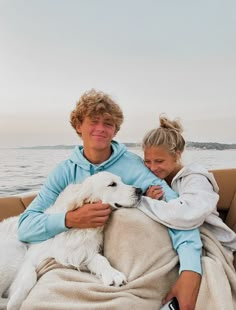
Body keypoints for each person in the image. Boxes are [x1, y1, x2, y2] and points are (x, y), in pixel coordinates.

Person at [18, 89, 202, 310]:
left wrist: (191, 271)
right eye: (93, 121)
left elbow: (178, 211)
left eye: (108, 123)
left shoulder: (133, 166)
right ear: (78, 126)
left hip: (128, 258)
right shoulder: (64, 172)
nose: (101, 129)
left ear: (115, 130)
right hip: (77, 257)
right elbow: (25, 227)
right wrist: (70, 219)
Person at [140, 114, 236, 308]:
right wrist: (151, 199)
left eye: (159, 161)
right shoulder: (152, 181)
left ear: (177, 154)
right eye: (147, 161)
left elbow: (187, 214)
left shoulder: (196, 178)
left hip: (208, 242)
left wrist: (142, 203)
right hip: (172, 240)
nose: (152, 168)